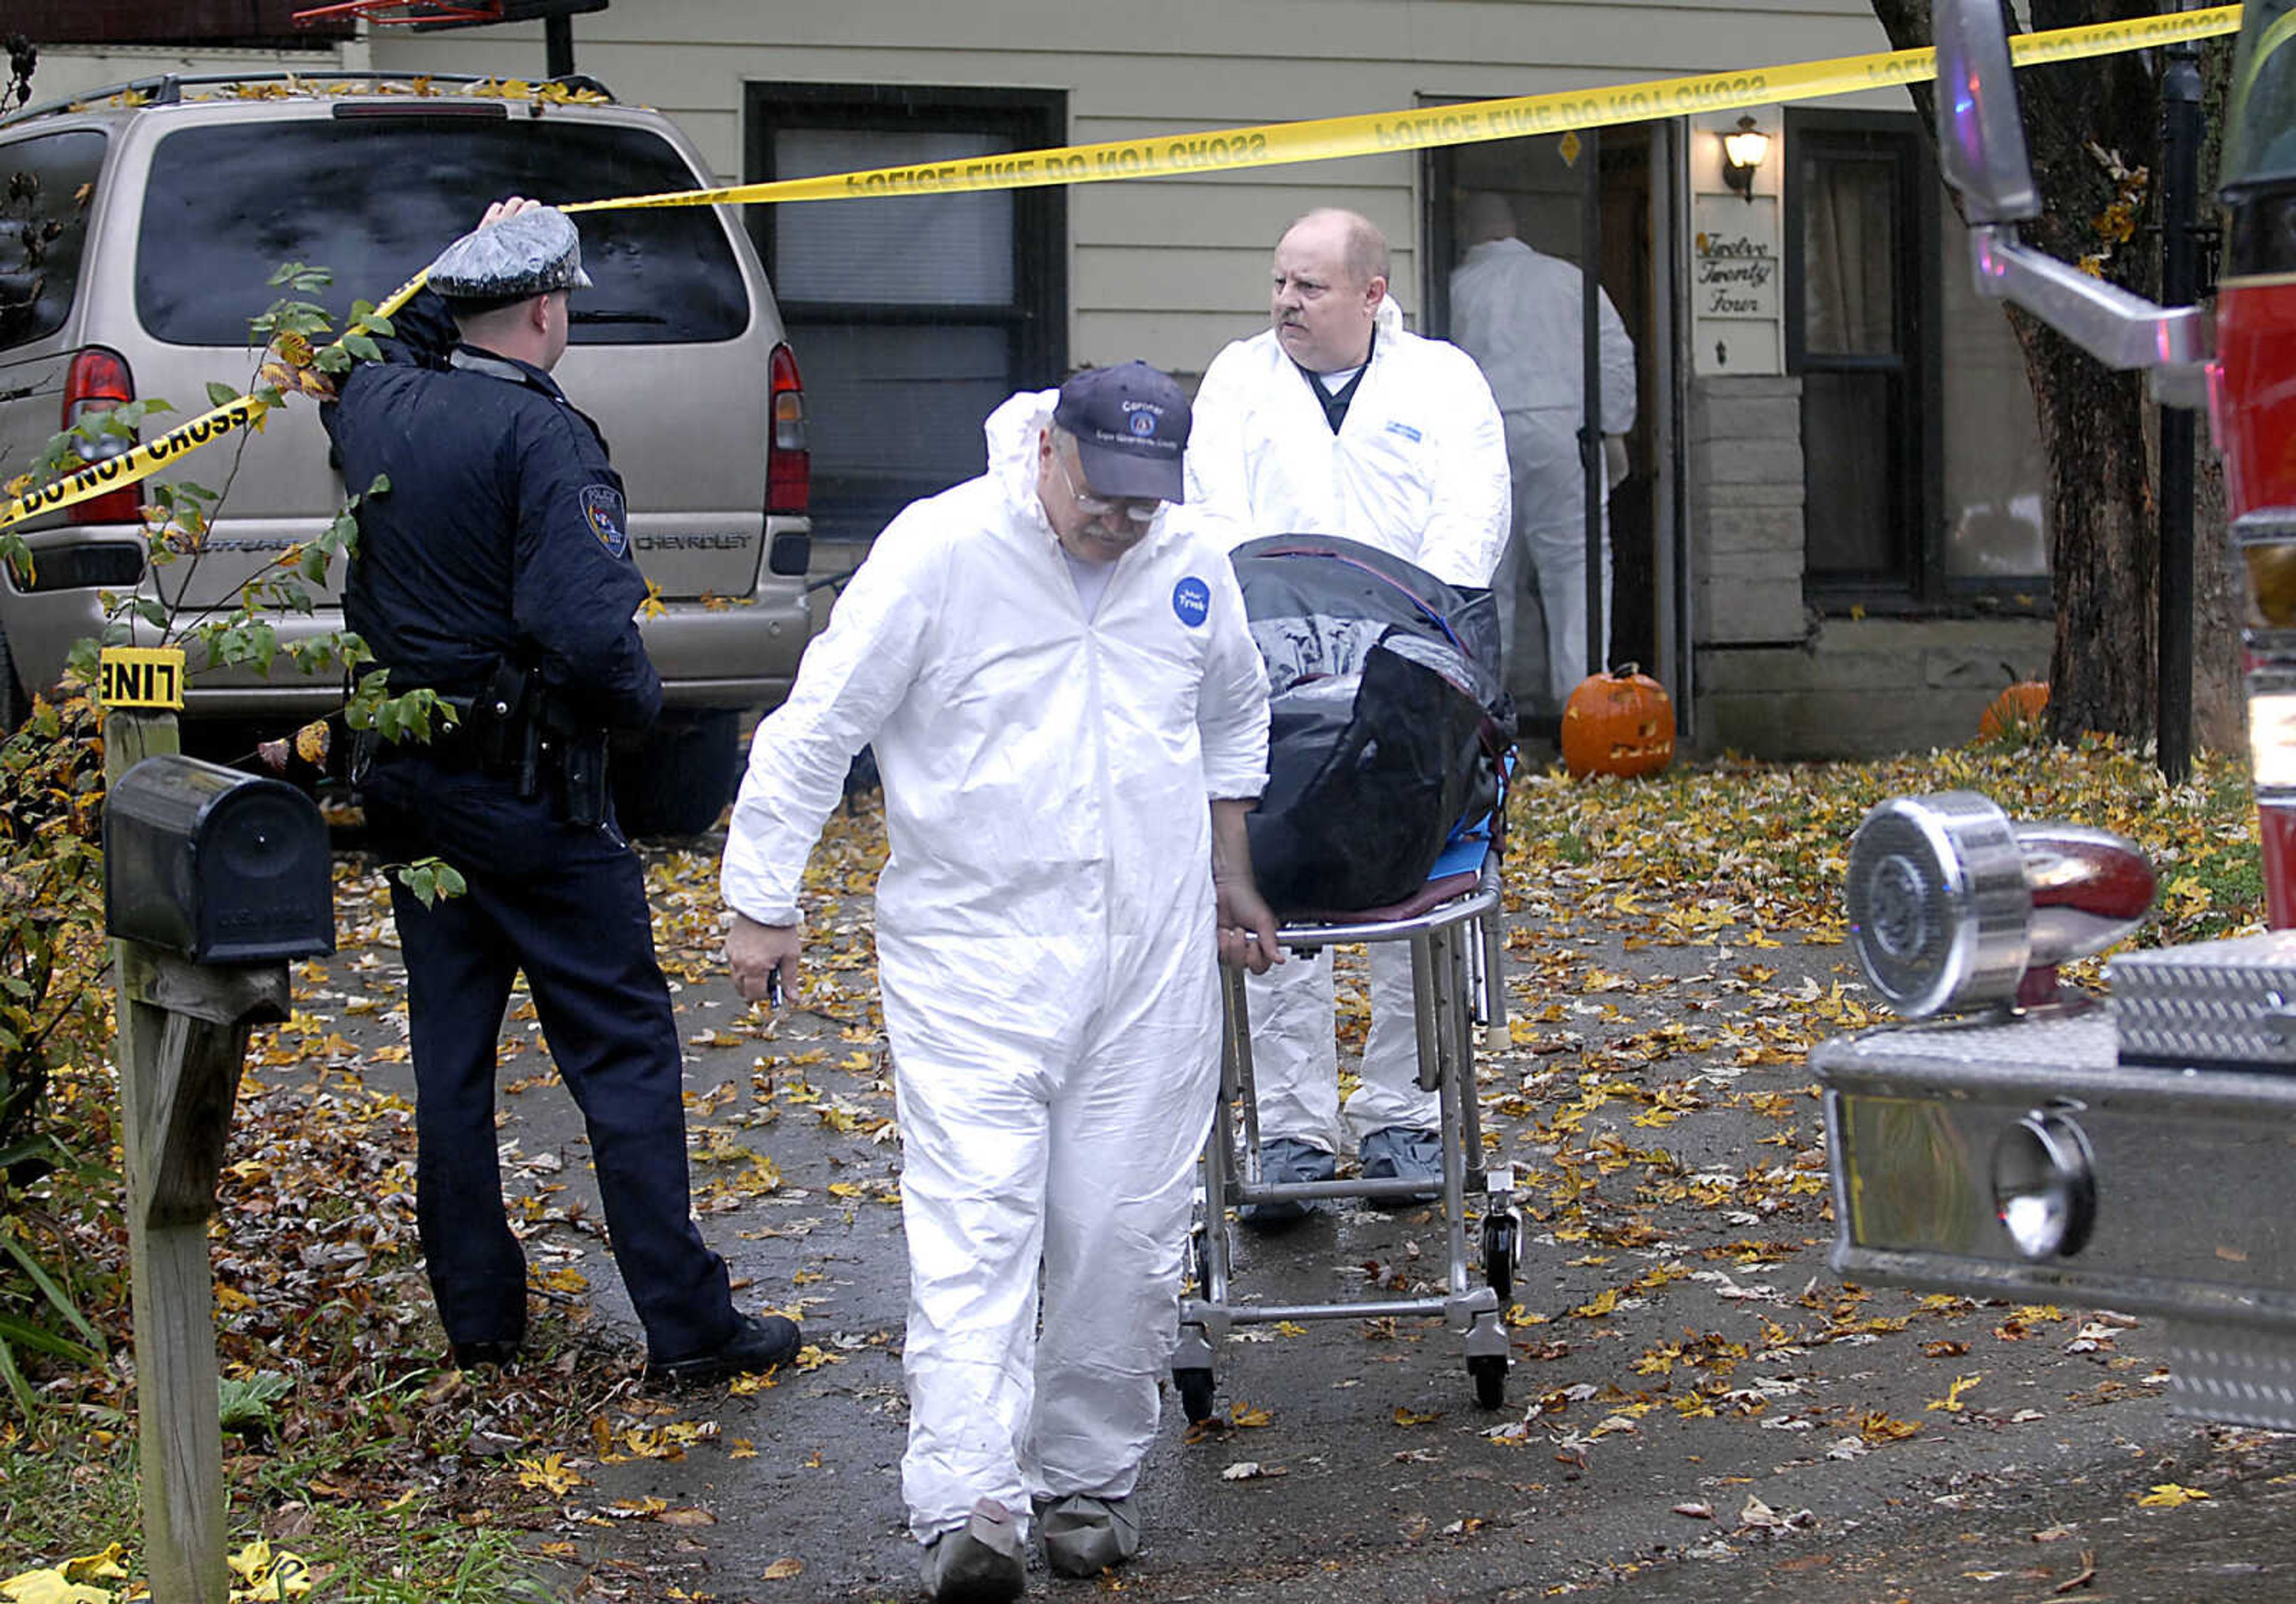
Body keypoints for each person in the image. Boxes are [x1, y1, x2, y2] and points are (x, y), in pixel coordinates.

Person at [719, 362, 1280, 1600]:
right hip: (972, 957)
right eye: (1102, 494)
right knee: (979, 1225)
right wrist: (763, 900)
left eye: (1145, 501)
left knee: (1122, 1230)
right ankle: (970, 1501)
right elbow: (820, 724)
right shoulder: (942, 551)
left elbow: (1235, 714)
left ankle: (1087, 1485)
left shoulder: (1191, 561)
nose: (1119, 521)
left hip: (1147, 956)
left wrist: (1231, 869)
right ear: (1049, 450)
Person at [324, 200, 801, 1386]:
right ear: (550, 307)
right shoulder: (550, 439)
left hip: (415, 793)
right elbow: (590, 633)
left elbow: (353, 347)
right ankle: (690, 1327)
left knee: (452, 1059)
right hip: (537, 803)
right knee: (624, 1055)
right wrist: (642, 714)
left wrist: (456, 260)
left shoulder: (378, 405)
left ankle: (479, 1319)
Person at [1184, 206, 1509, 1217]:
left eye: (1309, 286)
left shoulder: (1443, 383)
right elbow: (1215, 522)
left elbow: (1470, 525)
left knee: (1409, 892)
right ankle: (1289, 1131)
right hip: (1269, 686)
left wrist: (1392, 635)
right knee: (1278, 889)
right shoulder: (1238, 381)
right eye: (1280, 281)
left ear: (1372, 294)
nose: (1285, 301)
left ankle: (1399, 1119)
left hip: (1408, 689)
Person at [1448, 190, 1637, 710]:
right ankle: (1581, 710)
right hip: (1564, 435)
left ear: (1468, 233)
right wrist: (1613, 431)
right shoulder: (1569, 280)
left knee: (1490, 576)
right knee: (1574, 572)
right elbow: (1616, 355)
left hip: (1485, 440)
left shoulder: (1456, 290)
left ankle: (1489, 710)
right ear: (1513, 229)